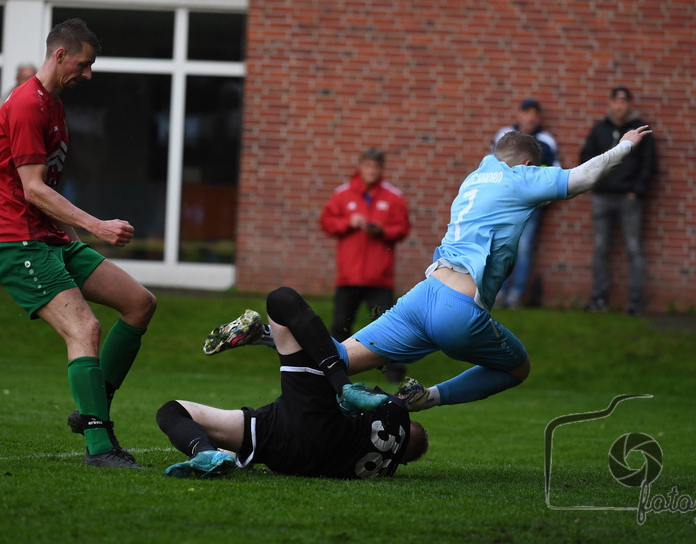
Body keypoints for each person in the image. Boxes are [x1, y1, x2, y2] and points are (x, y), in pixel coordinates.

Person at [210, 125, 653, 413]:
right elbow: (583, 178)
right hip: (458, 308)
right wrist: (625, 147)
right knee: (517, 369)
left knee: (339, 357)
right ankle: (424, 399)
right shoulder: (521, 177)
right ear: (528, 164)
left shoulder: (474, 176)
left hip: (422, 295)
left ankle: (262, 333)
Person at [0, 18, 157, 468]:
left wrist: (76, 234)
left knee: (139, 303)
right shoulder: (26, 105)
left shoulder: (53, 103)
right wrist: (97, 226)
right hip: (17, 240)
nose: (89, 74)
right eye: (85, 64)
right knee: (85, 330)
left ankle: (93, 403)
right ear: (60, 56)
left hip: (53, 238)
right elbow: (34, 189)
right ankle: (99, 447)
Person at [160, 286, 428, 479]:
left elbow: (359, 397)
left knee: (282, 299)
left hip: (315, 420)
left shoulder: (397, 413)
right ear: (402, 461)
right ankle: (209, 454)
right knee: (172, 410)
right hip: (292, 454)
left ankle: (275, 341)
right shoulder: (386, 468)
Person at [319, 148, 410, 381]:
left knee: (388, 327)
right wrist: (348, 222)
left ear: (381, 169)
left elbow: (402, 228)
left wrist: (382, 231)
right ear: (360, 167)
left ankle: (395, 373)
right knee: (340, 325)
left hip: (379, 277)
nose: (371, 170)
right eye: (368, 166)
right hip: (348, 276)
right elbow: (327, 222)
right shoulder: (343, 194)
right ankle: (332, 370)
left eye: (376, 167)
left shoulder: (393, 196)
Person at [579, 87, 658, 315]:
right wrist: (594, 184)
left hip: (628, 198)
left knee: (633, 249)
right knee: (600, 249)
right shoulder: (599, 129)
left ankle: (635, 302)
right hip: (601, 197)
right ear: (611, 103)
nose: (620, 105)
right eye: (616, 100)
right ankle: (599, 299)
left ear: (630, 104)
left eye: (624, 101)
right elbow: (586, 157)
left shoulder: (641, 130)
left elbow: (649, 164)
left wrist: (636, 191)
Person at [492, 98, 561, 309]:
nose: (530, 117)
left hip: (531, 206)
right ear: (519, 114)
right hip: (505, 204)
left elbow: (553, 173)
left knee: (523, 248)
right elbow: (492, 164)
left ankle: (516, 294)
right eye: (526, 112)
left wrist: (542, 198)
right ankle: (498, 292)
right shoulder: (503, 135)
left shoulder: (546, 141)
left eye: (534, 113)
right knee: (502, 246)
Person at [0, 62, 36, 147]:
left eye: (31, 78)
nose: (28, 82)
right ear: (17, 79)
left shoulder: (45, 99)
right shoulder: (4, 100)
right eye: (24, 78)